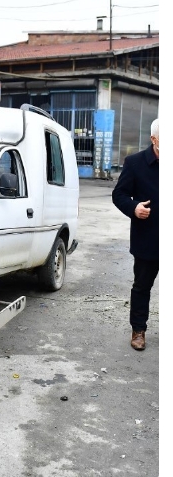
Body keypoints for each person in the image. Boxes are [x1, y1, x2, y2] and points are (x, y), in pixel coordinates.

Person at [111, 118, 159, 351]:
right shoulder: (135, 163)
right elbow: (118, 195)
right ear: (154, 139)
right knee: (142, 286)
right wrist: (134, 208)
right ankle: (138, 330)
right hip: (148, 238)